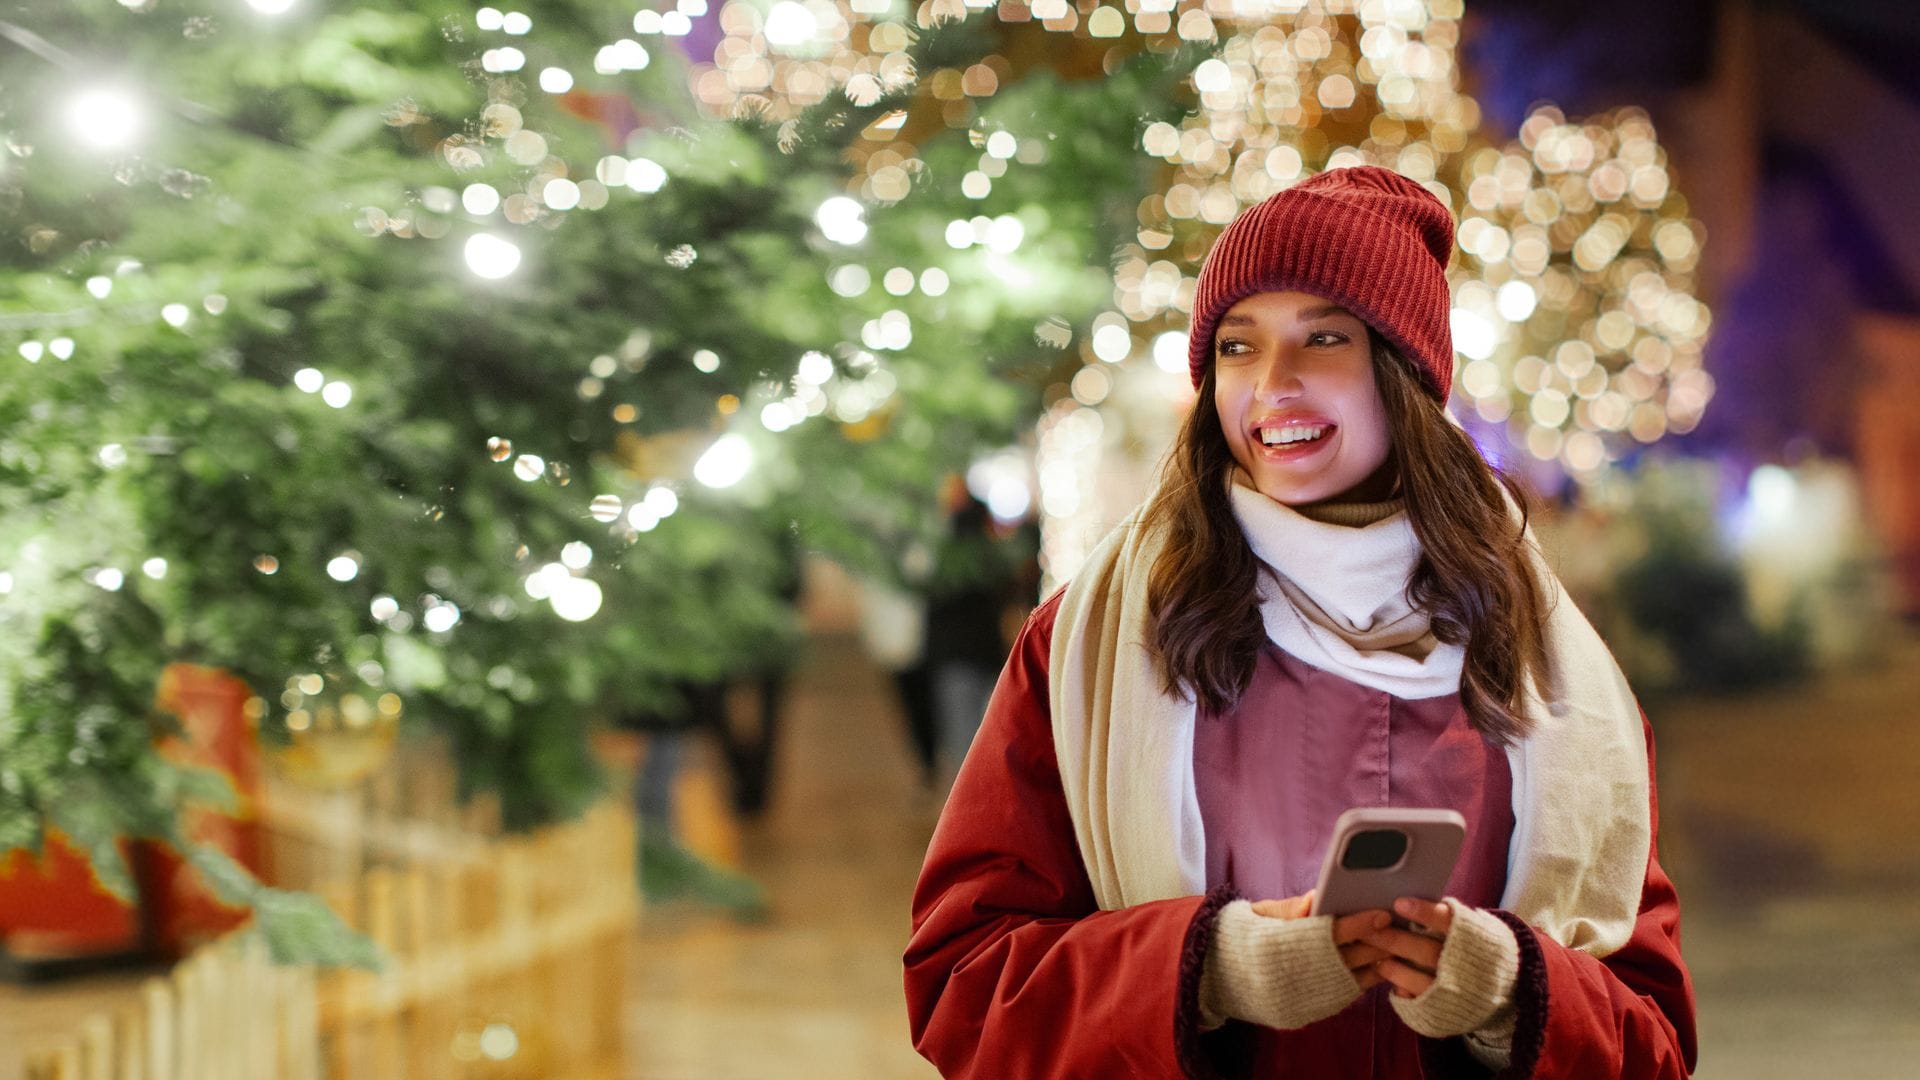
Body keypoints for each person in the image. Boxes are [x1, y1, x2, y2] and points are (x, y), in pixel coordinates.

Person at [903, 167, 1695, 1078]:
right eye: (1238, 347)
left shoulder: (1548, 666)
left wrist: (1510, 989)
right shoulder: (1091, 644)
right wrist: (1211, 969)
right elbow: (962, 981)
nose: (1272, 385)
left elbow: (1653, 1041)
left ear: (1403, 371)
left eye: (1323, 337)